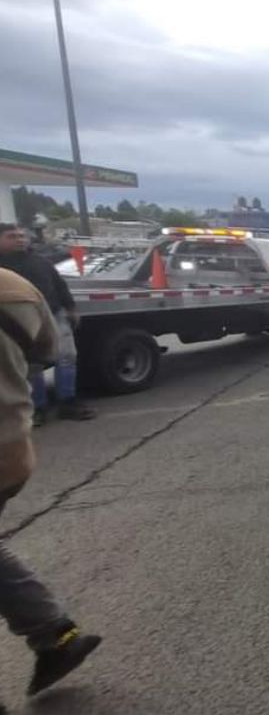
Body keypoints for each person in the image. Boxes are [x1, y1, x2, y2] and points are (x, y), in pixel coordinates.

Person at [0, 267, 103, 699]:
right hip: (11, 446)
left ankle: (53, 633)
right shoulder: (14, 285)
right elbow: (47, 348)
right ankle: (54, 633)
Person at [0, 224, 94, 426]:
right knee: (32, 365)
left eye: (22, 236)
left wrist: (70, 308)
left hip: (55, 314)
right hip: (19, 322)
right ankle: (37, 408)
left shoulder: (40, 261)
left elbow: (59, 284)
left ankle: (68, 402)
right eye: (12, 236)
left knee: (67, 357)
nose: (20, 239)